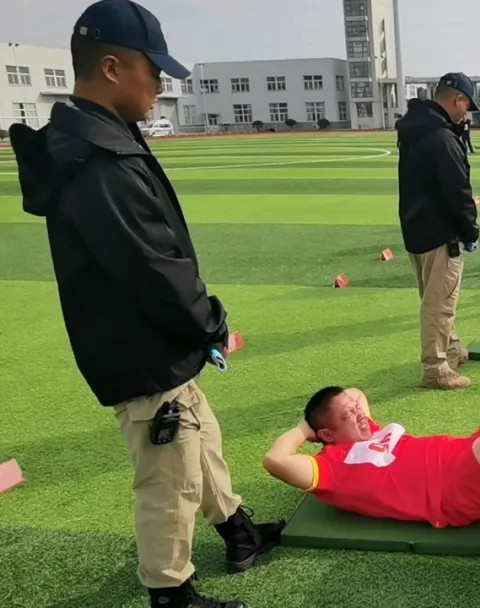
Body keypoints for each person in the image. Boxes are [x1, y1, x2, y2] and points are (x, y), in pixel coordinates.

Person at [9, 2, 282, 606]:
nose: (159, 86)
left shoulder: (99, 137)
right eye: (152, 72)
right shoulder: (95, 161)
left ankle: (237, 532)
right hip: (140, 345)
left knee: (199, 440)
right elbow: (154, 268)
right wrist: (209, 323)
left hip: (156, 339)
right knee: (168, 476)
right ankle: (171, 593)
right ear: (112, 67)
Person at [265, 386, 480, 546]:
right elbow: (276, 460)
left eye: (357, 410)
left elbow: (355, 392)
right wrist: (304, 429)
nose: (359, 413)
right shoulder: (331, 467)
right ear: (327, 433)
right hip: (451, 490)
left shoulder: (367, 430)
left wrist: (347, 411)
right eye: (348, 415)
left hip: (463, 455)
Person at [397, 73, 480, 390]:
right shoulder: (443, 138)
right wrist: (470, 231)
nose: (466, 112)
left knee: (436, 297)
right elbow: (458, 191)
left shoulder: (413, 130)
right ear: (458, 100)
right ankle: (435, 368)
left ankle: (451, 349)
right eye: (467, 105)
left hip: (415, 226)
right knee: (440, 302)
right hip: (441, 231)